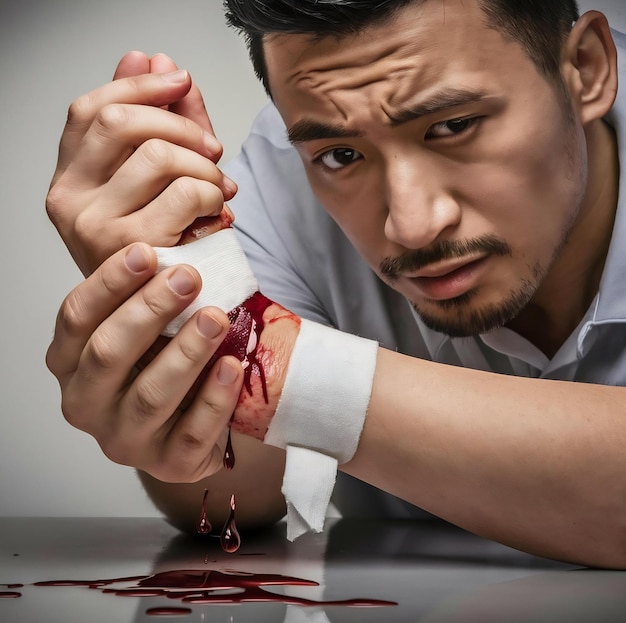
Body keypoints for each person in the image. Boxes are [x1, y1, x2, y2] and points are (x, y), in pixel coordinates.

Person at [44, 0, 626, 568]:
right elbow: (237, 496)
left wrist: (282, 372)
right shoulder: (273, 182)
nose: (413, 225)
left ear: (588, 70)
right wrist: (172, 354)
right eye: (343, 155)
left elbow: (274, 394)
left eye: (453, 126)